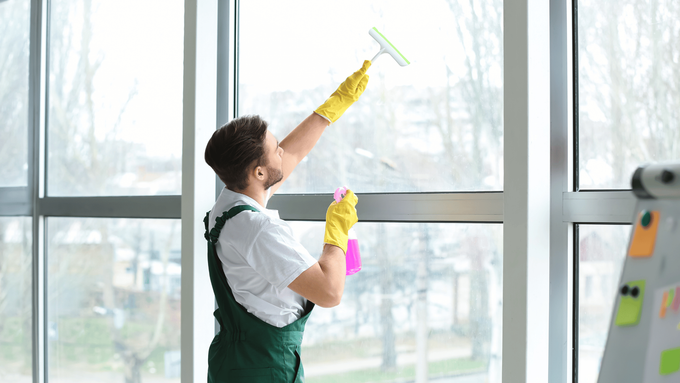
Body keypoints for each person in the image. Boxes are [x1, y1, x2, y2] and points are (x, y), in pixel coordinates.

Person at [203, 60, 371, 382]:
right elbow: (329, 291)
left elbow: (290, 156)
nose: (282, 151)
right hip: (264, 367)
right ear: (259, 173)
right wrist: (337, 229)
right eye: (274, 149)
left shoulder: (227, 208)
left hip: (235, 359)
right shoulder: (257, 229)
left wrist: (330, 109)